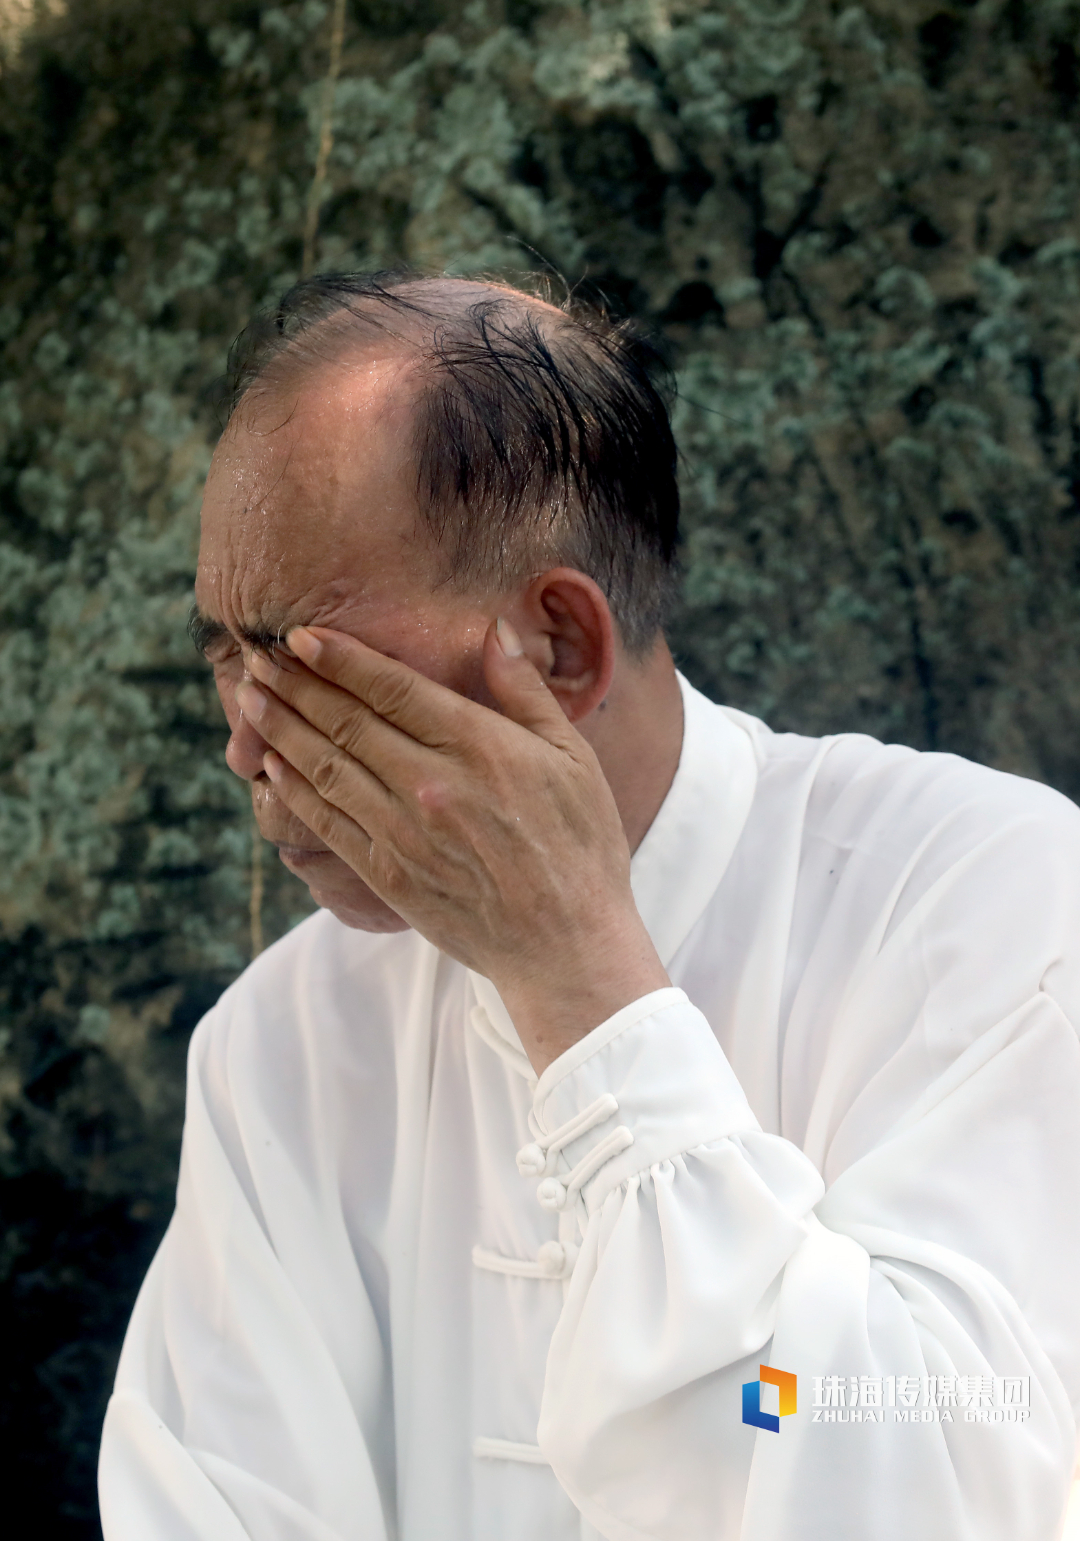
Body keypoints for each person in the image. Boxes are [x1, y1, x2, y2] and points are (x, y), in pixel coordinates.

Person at [99, 272, 1080, 1541]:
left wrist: (582, 984)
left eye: (290, 656)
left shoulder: (985, 900)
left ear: (562, 645)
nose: (244, 743)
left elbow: (904, 1478)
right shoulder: (280, 1040)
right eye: (223, 657)